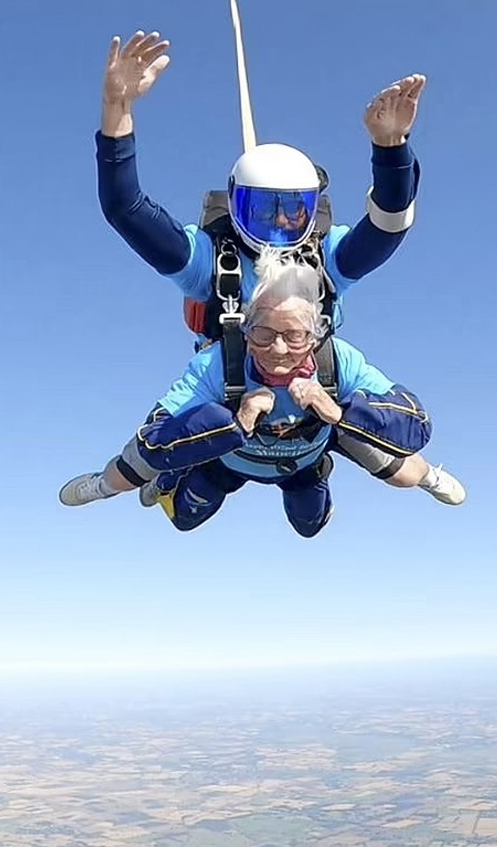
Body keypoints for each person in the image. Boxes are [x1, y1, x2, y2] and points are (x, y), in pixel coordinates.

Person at [96, 29, 434, 489]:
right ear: (234, 204)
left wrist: (392, 148)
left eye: (292, 212)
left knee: (327, 506)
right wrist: (118, 110)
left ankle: (323, 465)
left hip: (314, 400)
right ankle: (185, 473)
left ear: (312, 209)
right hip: (236, 398)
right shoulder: (212, 259)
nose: (277, 228)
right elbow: (126, 210)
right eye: (261, 210)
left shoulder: (323, 256)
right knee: (194, 504)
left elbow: (389, 226)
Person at [59, 251, 466, 537]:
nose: (278, 350)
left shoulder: (338, 362)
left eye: (295, 335)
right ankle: (111, 485)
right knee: (181, 515)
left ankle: (430, 477)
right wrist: (232, 422)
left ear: (317, 333)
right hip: (229, 456)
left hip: (304, 457)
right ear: (244, 329)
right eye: (263, 334)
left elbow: (414, 424)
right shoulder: (219, 362)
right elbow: (149, 440)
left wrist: (340, 412)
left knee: (319, 519)